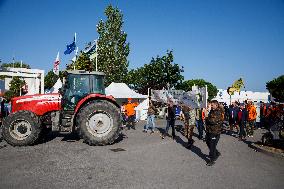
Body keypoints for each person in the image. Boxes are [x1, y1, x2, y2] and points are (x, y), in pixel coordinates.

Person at [205, 100, 223, 166]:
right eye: (211, 105)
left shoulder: (218, 112)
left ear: (216, 105)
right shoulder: (212, 111)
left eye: (212, 105)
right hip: (210, 130)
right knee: (207, 141)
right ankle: (217, 152)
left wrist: (207, 117)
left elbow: (213, 121)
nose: (211, 106)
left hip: (215, 132)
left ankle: (212, 159)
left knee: (212, 146)